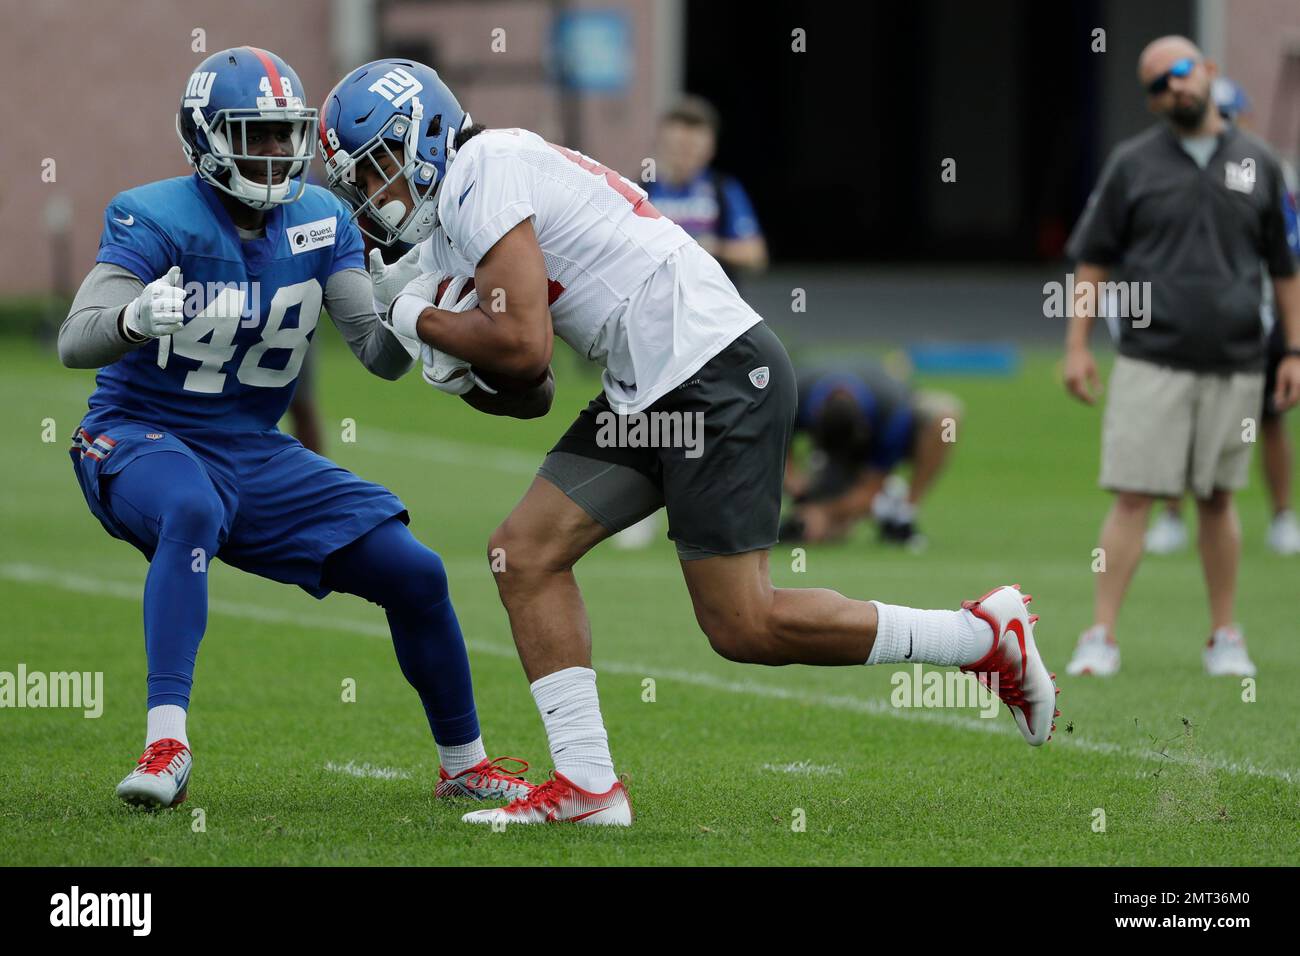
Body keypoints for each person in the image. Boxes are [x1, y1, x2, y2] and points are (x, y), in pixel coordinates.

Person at [319, 58, 1059, 828]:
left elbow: (525, 345)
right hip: (650, 384)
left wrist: (419, 319)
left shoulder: (485, 168)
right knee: (525, 552)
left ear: (426, 134)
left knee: (745, 625)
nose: (375, 194)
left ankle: (979, 636)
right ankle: (588, 788)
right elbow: (531, 393)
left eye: (376, 167)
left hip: (714, 372)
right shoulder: (457, 216)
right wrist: (466, 372)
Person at [59, 48, 534, 809]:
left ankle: (464, 764)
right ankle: (165, 743)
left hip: (251, 449)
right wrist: (132, 317)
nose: (279, 154)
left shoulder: (323, 219)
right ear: (206, 138)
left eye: (288, 135)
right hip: (137, 431)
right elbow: (73, 339)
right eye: (259, 134)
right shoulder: (153, 215)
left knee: (417, 572)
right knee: (190, 506)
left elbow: (376, 357)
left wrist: (412, 308)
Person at [1061, 37, 1300, 678]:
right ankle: (1100, 636)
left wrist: (1294, 350)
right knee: (1133, 496)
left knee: (1219, 498)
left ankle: (1225, 636)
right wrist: (1078, 344)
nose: (1173, 88)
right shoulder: (1132, 164)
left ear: (1211, 72)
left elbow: (1284, 266)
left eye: (1182, 73)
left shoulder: (1259, 162)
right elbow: (1093, 260)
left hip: (1236, 360)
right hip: (1151, 359)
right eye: (1157, 83)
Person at [1144, 76, 1300, 556]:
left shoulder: (1270, 171)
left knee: (1269, 420)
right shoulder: (1174, 169)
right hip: (1190, 319)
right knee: (1180, 421)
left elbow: (1286, 254)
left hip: (1257, 317)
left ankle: (1281, 515)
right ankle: (1172, 515)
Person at [779, 360, 962, 547]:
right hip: (825, 459)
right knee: (824, 532)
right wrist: (794, 484)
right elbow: (771, 444)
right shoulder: (790, 392)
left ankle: (903, 511)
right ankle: (874, 506)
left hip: (886, 438)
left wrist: (826, 511)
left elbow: (873, 484)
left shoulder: (892, 411)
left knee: (947, 416)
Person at [645, 96, 768, 285]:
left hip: (713, 302)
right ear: (660, 143)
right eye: (677, 147)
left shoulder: (722, 188)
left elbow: (754, 255)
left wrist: (713, 247)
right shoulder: (643, 190)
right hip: (657, 304)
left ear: (710, 148)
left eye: (693, 148)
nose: (685, 156)